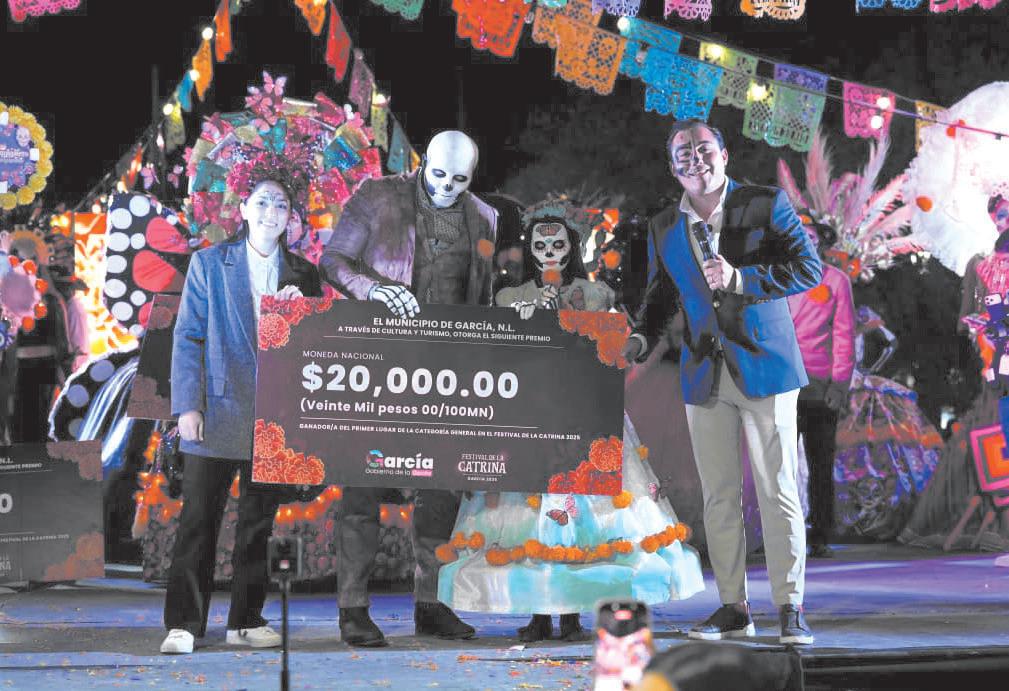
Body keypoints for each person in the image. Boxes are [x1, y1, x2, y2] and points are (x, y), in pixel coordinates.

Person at [436, 200, 704, 642]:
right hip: (531, 414)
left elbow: (612, 348)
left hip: (584, 411)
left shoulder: (597, 295)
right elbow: (500, 353)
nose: (549, 252)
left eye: (557, 244)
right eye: (540, 245)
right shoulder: (509, 298)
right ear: (530, 250)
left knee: (587, 509)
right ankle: (539, 611)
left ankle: (573, 612)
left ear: (570, 248)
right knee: (529, 510)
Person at [623, 119, 821, 645]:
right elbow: (661, 295)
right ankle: (734, 607)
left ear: (724, 155)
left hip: (766, 366)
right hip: (704, 370)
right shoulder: (664, 225)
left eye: (704, 149)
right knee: (719, 497)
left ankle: (791, 607)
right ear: (673, 168)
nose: (695, 159)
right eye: (683, 154)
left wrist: (741, 279)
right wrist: (641, 338)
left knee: (778, 490)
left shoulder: (765, 204)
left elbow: (809, 268)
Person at [320, 130, 497, 647]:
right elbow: (332, 261)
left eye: (459, 179)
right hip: (376, 365)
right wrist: (373, 288)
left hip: (445, 372)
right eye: (438, 174)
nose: (446, 186)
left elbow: (483, 296)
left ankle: (432, 603)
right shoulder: (378, 196)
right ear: (423, 164)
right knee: (362, 486)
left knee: (442, 492)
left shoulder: (484, 217)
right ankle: (353, 608)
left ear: (472, 176)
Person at [162, 154, 322, 655]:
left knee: (258, 525)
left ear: (292, 217)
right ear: (244, 209)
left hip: (274, 416)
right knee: (198, 522)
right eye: (262, 202)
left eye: (281, 205)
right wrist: (187, 406)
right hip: (217, 410)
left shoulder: (305, 273)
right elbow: (187, 336)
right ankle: (184, 624)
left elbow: (314, 348)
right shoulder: (210, 264)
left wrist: (301, 318)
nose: (271, 212)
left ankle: (246, 620)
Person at [786, 218, 856, 558]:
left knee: (820, 462)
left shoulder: (836, 280)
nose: (804, 239)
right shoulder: (777, 275)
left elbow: (844, 334)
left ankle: (820, 533)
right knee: (778, 463)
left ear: (820, 242)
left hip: (819, 383)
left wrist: (839, 384)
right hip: (781, 381)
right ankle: (781, 531)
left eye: (810, 235)